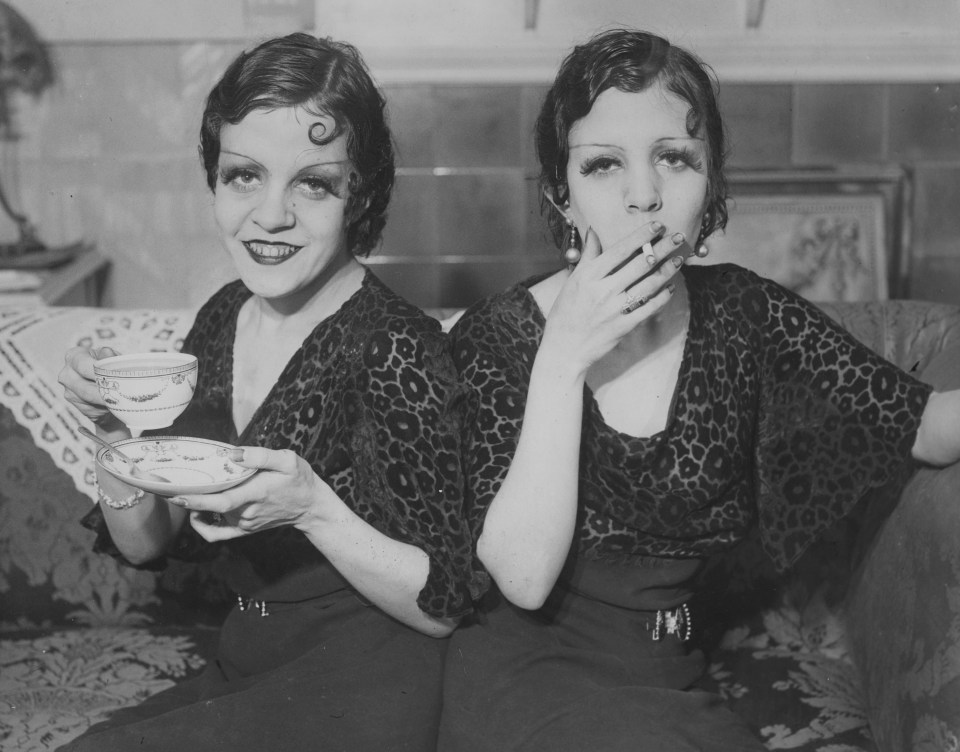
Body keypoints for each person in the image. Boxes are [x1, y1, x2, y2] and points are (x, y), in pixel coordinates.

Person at [438, 28, 960, 751]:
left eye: (674, 159)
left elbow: (923, 423)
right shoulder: (500, 339)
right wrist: (561, 356)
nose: (644, 196)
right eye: (602, 166)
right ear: (562, 196)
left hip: (663, 670)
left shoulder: (746, 317)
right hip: (518, 673)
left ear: (709, 182)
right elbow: (522, 580)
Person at [58, 32, 477, 752]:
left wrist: (314, 509)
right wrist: (112, 435)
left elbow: (443, 604)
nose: (272, 214)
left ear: (361, 194)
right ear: (214, 181)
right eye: (244, 175)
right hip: (248, 660)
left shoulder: (396, 345)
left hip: (368, 679)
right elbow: (145, 544)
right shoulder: (222, 315)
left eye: (313, 183)